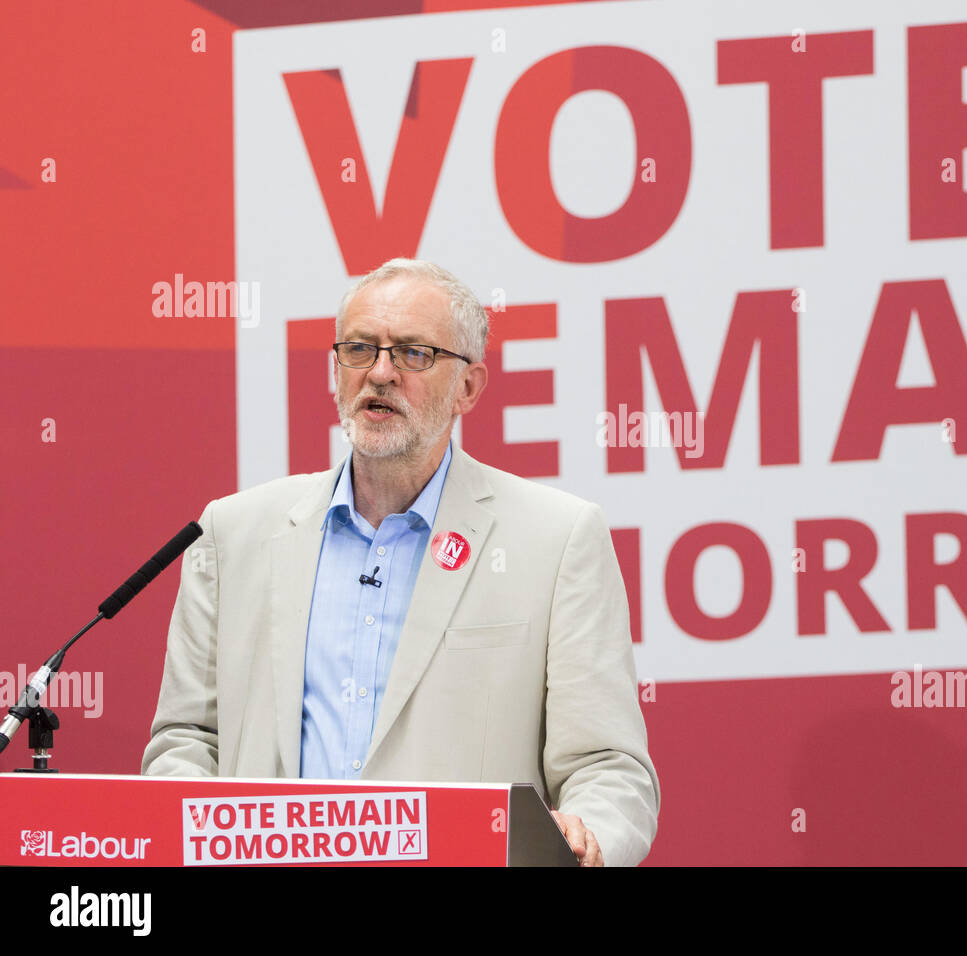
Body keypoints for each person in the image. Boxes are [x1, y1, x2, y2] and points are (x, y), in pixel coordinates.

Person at [142, 258, 660, 867]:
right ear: (337, 370)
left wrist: (589, 835)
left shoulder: (556, 537)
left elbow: (608, 768)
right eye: (360, 349)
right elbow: (187, 740)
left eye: (413, 353)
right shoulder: (232, 532)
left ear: (468, 387)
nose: (380, 374)